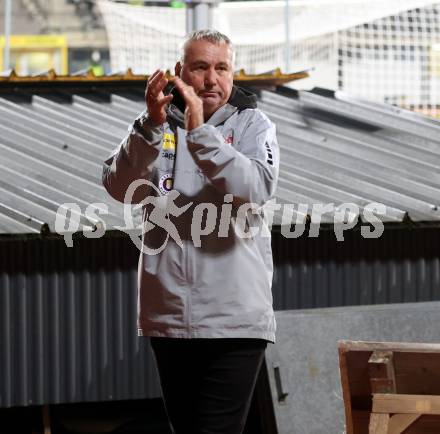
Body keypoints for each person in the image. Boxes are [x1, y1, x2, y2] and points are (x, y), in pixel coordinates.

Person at [102, 29, 279, 434]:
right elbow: (118, 186)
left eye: (222, 68)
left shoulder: (254, 125)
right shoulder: (153, 127)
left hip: (233, 319)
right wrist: (148, 125)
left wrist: (201, 135)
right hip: (168, 316)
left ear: (233, 74)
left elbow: (255, 187)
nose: (211, 79)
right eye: (200, 67)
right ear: (180, 72)